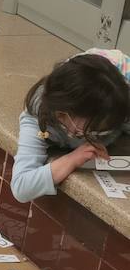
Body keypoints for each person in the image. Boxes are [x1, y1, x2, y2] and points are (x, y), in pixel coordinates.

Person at [12, 53, 130, 202]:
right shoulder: (38, 119)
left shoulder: (117, 104)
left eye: (106, 130)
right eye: (93, 129)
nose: (98, 134)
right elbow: (21, 186)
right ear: (62, 115)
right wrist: (72, 159)